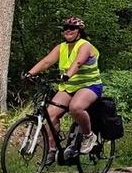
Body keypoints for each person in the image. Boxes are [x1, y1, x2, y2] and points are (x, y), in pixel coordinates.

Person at [23, 16, 104, 164]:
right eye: (65, 28)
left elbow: (78, 62)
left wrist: (67, 75)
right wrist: (30, 74)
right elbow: (47, 61)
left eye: (72, 28)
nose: (68, 30)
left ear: (79, 31)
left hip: (89, 86)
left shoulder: (85, 45)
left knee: (76, 107)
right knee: (50, 114)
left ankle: (88, 136)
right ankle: (52, 150)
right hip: (69, 86)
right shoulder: (61, 47)